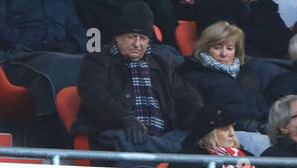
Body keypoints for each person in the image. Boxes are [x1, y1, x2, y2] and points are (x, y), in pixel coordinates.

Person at [73, 2, 203, 159]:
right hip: (120, 132)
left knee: (198, 139)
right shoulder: (97, 61)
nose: (137, 44)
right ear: (118, 37)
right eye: (131, 37)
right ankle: (165, 151)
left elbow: (187, 97)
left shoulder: (164, 64)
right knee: (127, 142)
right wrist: (125, 118)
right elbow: (96, 97)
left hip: (163, 135)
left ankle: (159, 149)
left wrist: (197, 123)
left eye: (143, 38)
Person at [177, 21, 269, 134]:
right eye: (217, 47)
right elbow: (198, 117)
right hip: (227, 133)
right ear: (205, 48)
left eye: (229, 48)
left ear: (236, 51)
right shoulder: (193, 76)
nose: (224, 54)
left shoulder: (247, 73)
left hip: (262, 129)